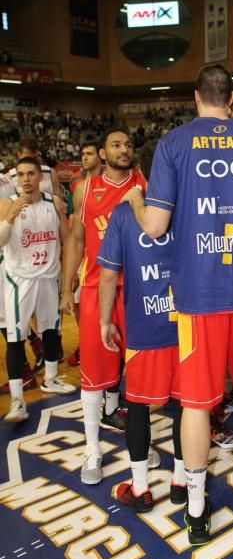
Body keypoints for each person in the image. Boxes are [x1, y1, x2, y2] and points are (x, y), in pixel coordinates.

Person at [123, 65, 233, 545]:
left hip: (196, 294)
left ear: (195, 96)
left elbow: (153, 227)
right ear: (231, 98)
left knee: (194, 403)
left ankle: (195, 508)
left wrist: (134, 203)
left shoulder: (172, 144)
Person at [98, 141, 183, 513]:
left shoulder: (122, 213)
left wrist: (104, 319)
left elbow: (107, 276)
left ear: (145, 172)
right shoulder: (189, 209)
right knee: (186, 405)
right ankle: (182, 481)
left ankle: (141, 487)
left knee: (137, 407)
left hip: (145, 327)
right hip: (186, 326)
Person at [60, 128, 148, 485]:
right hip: (98, 290)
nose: (124, 149)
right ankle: (92, 449)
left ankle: (139, 447)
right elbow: (77, 239)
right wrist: (68, 287)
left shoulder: (145, 182)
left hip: (139, 290)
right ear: (102, 152)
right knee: (94, 376)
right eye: (116, 145)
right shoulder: (86, 188)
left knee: (141, 373)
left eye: (128, 145)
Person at [0, 158, 76, 423]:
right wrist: (9, 219)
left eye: (31, 173)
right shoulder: (7, 204)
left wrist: (69, 280)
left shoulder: (53, 203)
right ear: (16, 179)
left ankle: (51, 379)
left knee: (51, 331)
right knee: (16, 338)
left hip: (49, 276)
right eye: (21, 175)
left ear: (39, 177)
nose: (26, 179)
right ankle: (18, 399)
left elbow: (67, 240)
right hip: (19, 279)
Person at [0, 172, 37, 393]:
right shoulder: (5, 177)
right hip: (11, 255)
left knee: (6, 321)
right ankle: (36, 345)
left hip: (5, 255)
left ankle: (23, 374)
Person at [66, 140, 103, 368]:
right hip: (86, 255)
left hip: (109, 258)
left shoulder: (115, 182)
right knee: (81, 305)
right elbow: (74, 229)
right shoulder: (78, 186)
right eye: (82, 153)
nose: (84, 157)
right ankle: (86, 343)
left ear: (100, 155)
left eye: (89, 153)